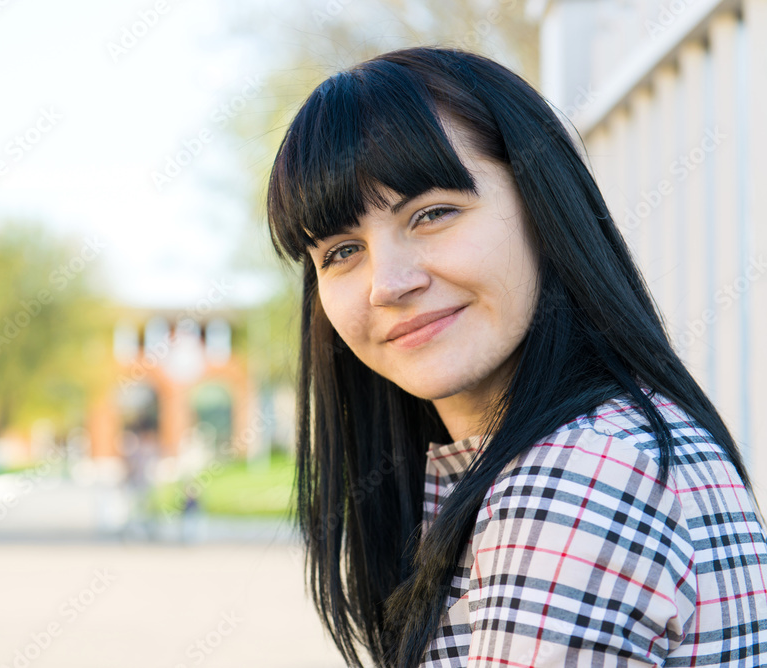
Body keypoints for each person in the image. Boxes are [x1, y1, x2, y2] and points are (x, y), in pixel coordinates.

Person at [265, 46, 767, 668]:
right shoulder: (626, 439)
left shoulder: (581, 475)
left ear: (543, 201)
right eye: (341, 251)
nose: (386, 284)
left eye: (433, 213)